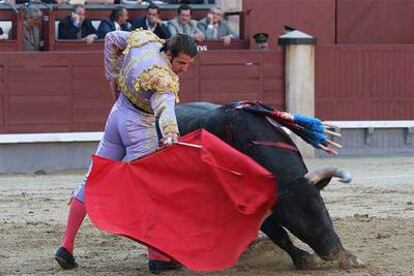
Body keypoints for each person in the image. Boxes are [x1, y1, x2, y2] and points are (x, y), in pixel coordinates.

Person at [54, 29, 198, 274]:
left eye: (189, 64)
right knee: (148, 191)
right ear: (170, 53)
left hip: (117, 115)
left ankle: (65, 246)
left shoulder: (144, 40)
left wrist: (113, 76)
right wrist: (171, 133)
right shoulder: (162, 77)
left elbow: (111, 38)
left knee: (93, 178)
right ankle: (157, 257)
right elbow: (165, 108)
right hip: (139, 128)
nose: (185, 68)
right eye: (182, 62)